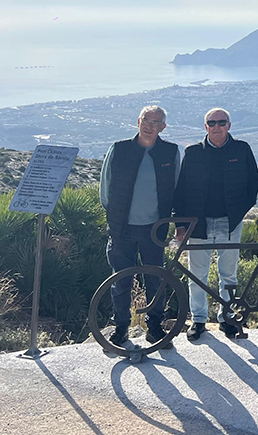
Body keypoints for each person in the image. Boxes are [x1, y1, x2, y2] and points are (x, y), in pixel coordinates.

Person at [173, 108, 258, 341]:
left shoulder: (241, 149)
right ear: (206, 127)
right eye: (212, 123)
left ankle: (227, 318)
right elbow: (180, 190)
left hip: (230, 222)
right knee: (197, 275)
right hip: (197, 223)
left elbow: (254, 182)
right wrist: (180, 224)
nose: (217, 127)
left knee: (228, 275)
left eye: (221, 122)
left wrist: (239, 211)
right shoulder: (193, 152)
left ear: (229, 125)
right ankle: (199, 319)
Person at [99, 105, 181, 348]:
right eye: (146, 120)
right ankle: (120, 328)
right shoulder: (119, 149)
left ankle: (154, 328)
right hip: (122, 228)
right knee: (120, 281)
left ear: (163, 127)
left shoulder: (170, 152)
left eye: (155, 122)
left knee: (156, 279)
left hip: (155, 228)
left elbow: (176, 188)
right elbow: (105, 190)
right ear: (138, 121)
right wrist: (115, 218)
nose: (149, 126)